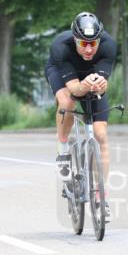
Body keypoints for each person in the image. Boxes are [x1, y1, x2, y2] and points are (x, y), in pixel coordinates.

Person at [45, 12, 117, 221]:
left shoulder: (109, 46)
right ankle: (63, 147)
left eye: (92, 44)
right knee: (67, 101)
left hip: (90, 73)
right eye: (83, 43)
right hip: (62, 73)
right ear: (75, 39)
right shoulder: (61, 47)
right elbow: (75, 90)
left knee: (101, 134)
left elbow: (103, 82)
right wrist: (83, 85)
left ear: (99, 40)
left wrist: (100, 83)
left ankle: (100, 196)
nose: (88, 49)